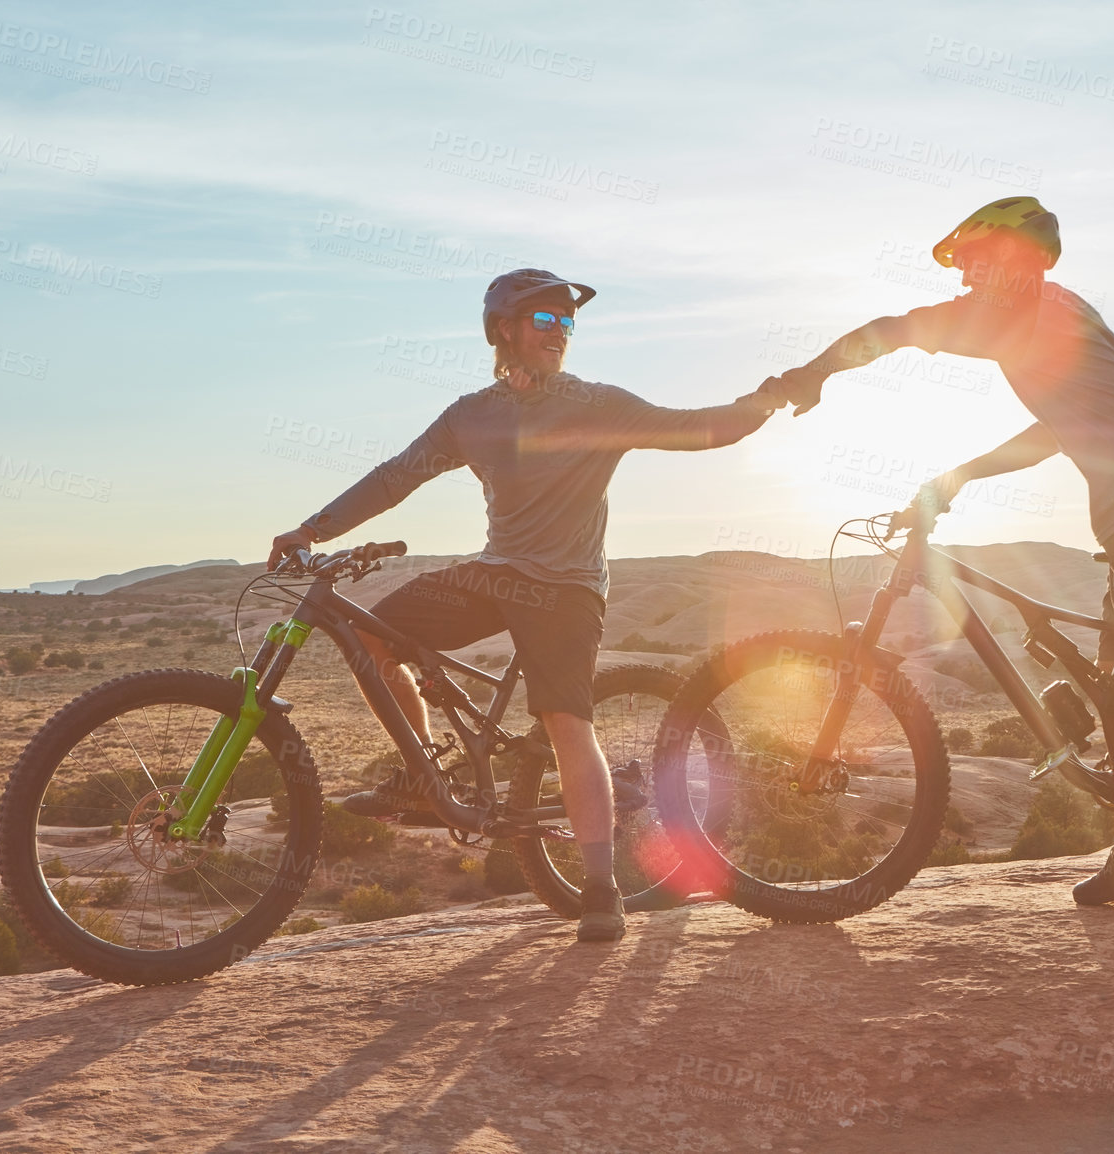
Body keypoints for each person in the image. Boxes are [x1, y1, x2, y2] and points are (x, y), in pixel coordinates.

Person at [760, 198, 1114, 962]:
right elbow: (1052, 431)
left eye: (974, 263)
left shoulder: (1018, 322)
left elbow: (895, 331)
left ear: (1018, 262)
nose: (964, 279)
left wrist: (812, 373)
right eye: (962, 268)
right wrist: (960, 474)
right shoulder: (1060, 319)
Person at [267, 268, 782, 942]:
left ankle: (602, 890)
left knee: (566, 722)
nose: (561, 334)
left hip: (567, 588)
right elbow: (397, 477)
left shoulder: (598, 405)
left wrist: (771, 398)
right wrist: (313, 529)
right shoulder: (469, 416)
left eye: (568, 323)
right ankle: (427, 775)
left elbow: (699, 430)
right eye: (545, 320)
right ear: (503, 330)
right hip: (495, 574)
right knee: (370, 636)